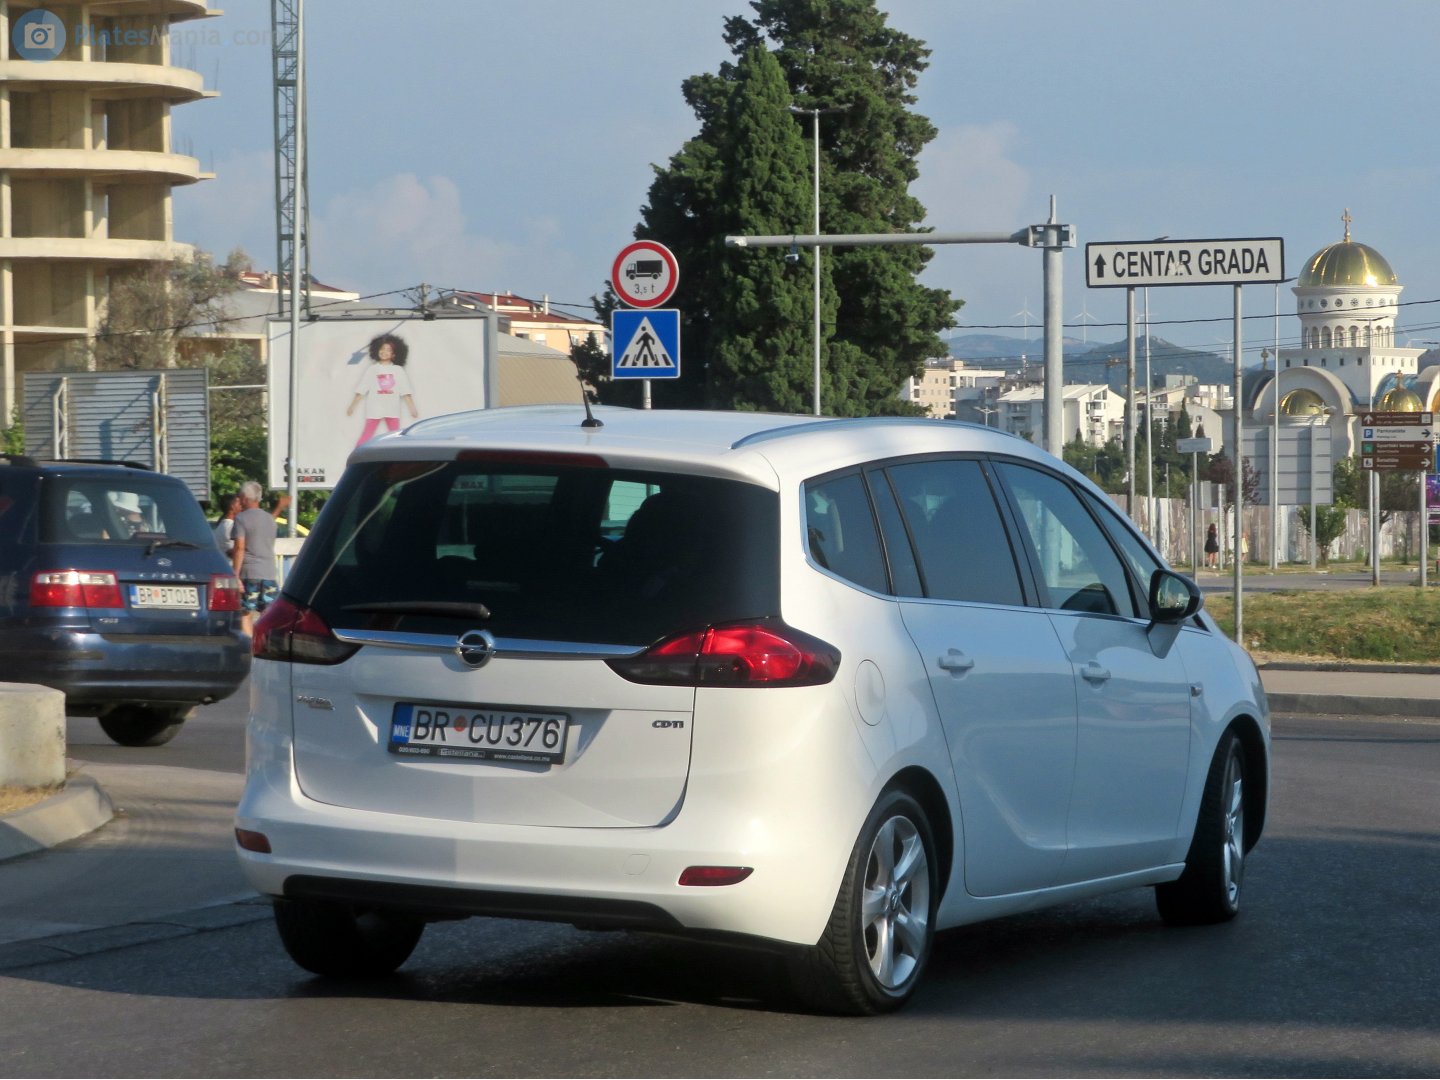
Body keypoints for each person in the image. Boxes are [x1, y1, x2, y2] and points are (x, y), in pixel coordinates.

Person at [346, 333, 417, 446]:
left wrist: (412, 409)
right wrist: (352, 406)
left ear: (394, 354)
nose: (384, 352)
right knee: (367, 434)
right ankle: (357, 453)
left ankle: (393, 458)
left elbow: (406, 391)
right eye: (382, 349)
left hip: (392, 408)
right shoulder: (372, 369)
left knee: (395, 435)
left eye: (388, 350)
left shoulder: (398, 370)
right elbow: (362, 389)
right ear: (377, 351)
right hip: (374, 408)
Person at [232, 481, 281, 635]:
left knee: (246, 614)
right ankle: (265, 646)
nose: (239, 500)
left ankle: (249, 648)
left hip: (249, 573)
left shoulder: (241, 519)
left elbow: (240, 547)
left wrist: (235, 574)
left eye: (240, 497)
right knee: (268, 614)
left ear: (246, 498)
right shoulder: (270, 520)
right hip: (269, 573)